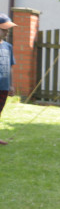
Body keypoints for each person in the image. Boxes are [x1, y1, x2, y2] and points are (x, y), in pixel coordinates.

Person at [0, 13, 15, 145]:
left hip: (3, 86)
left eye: (8, 29)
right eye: (4, 29)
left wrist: (11, 85)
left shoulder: (8, 47)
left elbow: (10, 67)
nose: (7, 31)